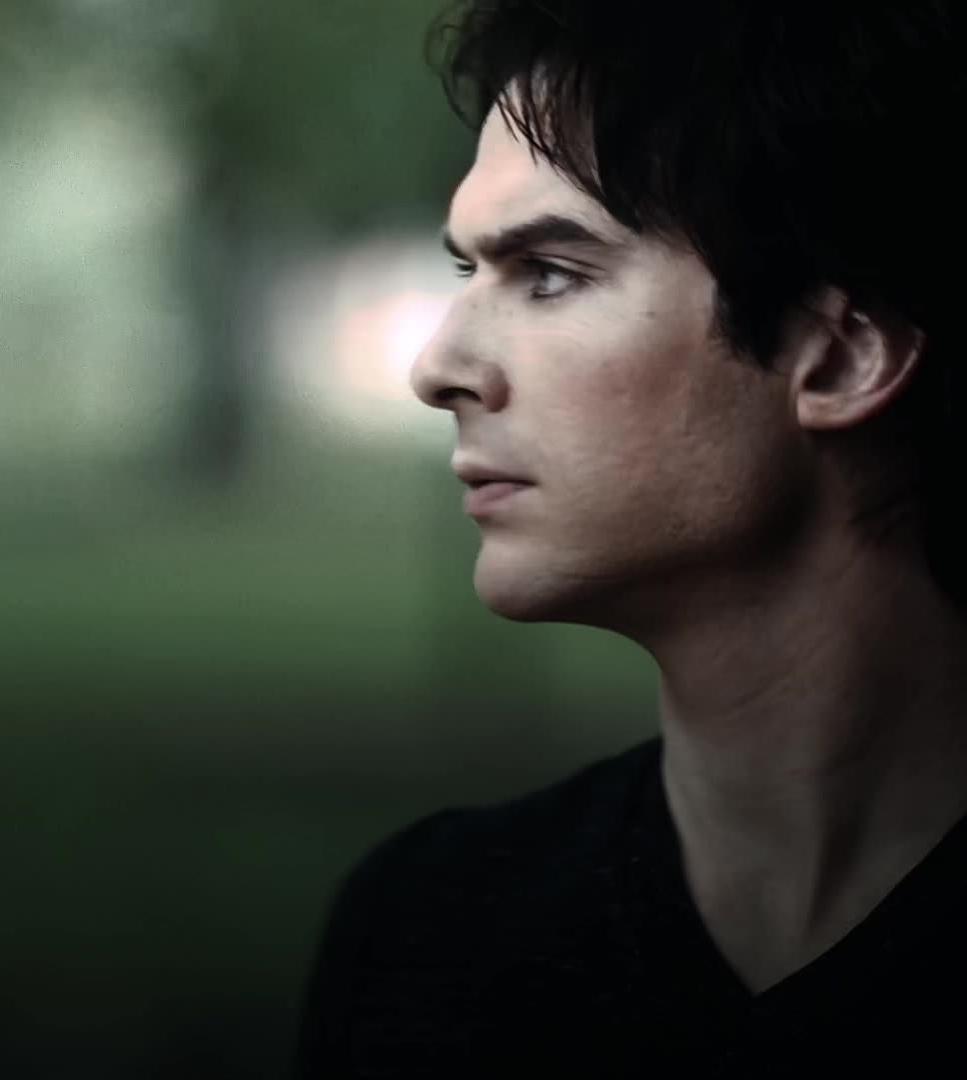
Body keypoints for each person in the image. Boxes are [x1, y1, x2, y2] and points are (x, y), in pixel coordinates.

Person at [294, 3, 967, 1075]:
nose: (438, 369)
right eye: (470, 272)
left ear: (843, 356)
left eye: (550, 274)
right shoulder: (429, 939)